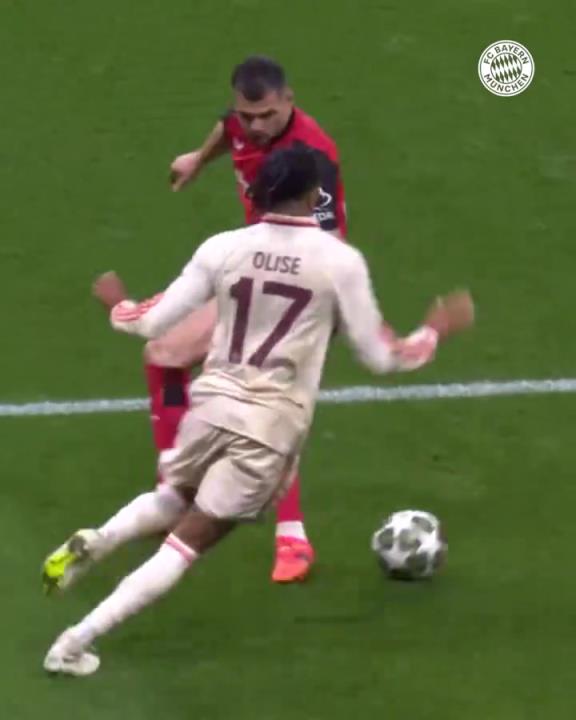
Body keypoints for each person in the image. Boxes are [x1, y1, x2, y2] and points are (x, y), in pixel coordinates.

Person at [43, 145, 474, 676]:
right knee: (186, 544)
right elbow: (383, 357)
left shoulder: (223, 247)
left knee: (175, 497)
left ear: (258, 190)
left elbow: (151, 324)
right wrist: (434, 330)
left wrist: (117, 303)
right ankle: (73, 643)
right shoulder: (339, 262)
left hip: (209, 404)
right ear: (315, 195)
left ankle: (102, 538)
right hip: (268, 427)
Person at [144, 55, 349, 583]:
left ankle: (292, 537)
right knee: (164, 356)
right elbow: (227, 128)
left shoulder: (311, 158)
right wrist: (198, 158)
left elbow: (327, 246)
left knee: (260, 401)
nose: (254, 126)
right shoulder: (243, 123)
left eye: (266, 115)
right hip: (255, 269)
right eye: (247, 115)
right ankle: (175, 490)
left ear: (289, 101)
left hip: (300, 286)